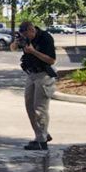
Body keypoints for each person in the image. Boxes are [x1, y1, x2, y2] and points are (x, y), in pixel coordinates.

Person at [10, 21, 57, 150]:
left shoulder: (45, 38)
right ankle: (42, 134)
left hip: (43, 75)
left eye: (27, 35)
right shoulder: (25, 39)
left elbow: (51, 60)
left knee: (39, 108)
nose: (26, 38)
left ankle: (42, 142)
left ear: (32, 30)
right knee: (29, 106)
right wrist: (17, 41)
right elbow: (12, 49)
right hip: (31, 74)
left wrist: (33, 51)